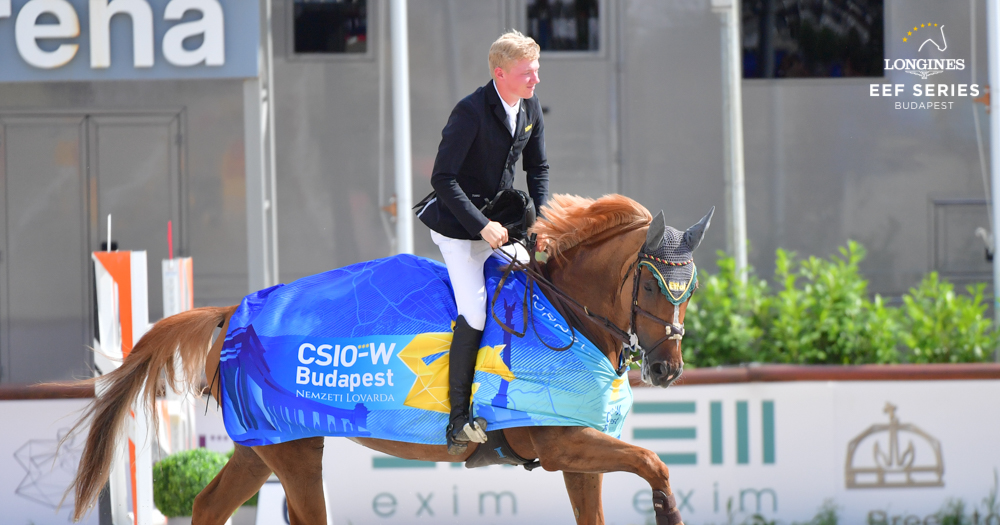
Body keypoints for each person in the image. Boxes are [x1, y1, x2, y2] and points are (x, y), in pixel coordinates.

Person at [414, 30, 549, 455]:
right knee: (473, 311)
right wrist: (480, 227)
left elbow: (539, 168)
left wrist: (543, 218)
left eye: (537, 71)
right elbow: (443, 179)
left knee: (535, 284)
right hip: (458, 226)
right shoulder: (470, 112)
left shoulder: (529, 107)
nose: (535, 80)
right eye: (527, 73)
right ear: (500, 73)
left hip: (501, 222)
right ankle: (457, 421)